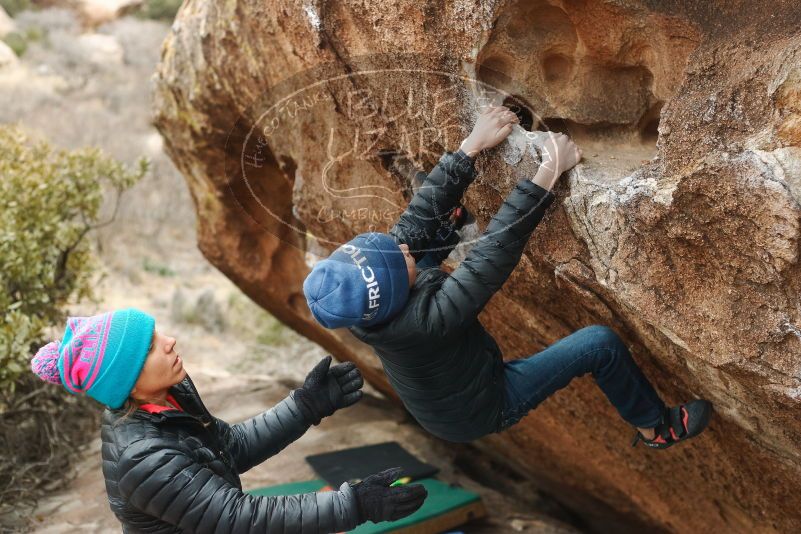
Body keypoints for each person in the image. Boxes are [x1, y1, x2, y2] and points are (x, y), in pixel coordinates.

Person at [303, 105, 712, 448]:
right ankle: (654, 427)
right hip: (480, 408)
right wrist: (547, 173)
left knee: (422, 248)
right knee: (599, 344)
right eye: (396, 259)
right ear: (389, 293)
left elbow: (412, 225)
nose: (401, 246)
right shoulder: (427, 322)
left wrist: (471, 147)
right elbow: (490, 257)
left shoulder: (365, 304)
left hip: (442, 368)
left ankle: (449, 227)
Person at [30, 308, 427, 533]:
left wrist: (305, 406)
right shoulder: (143, 458)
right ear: (128, 384)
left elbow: (229, 448)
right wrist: (352, 505)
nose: (169, 341)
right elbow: (238, 519)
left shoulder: (171, 396)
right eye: (150, 347)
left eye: (157, 333)